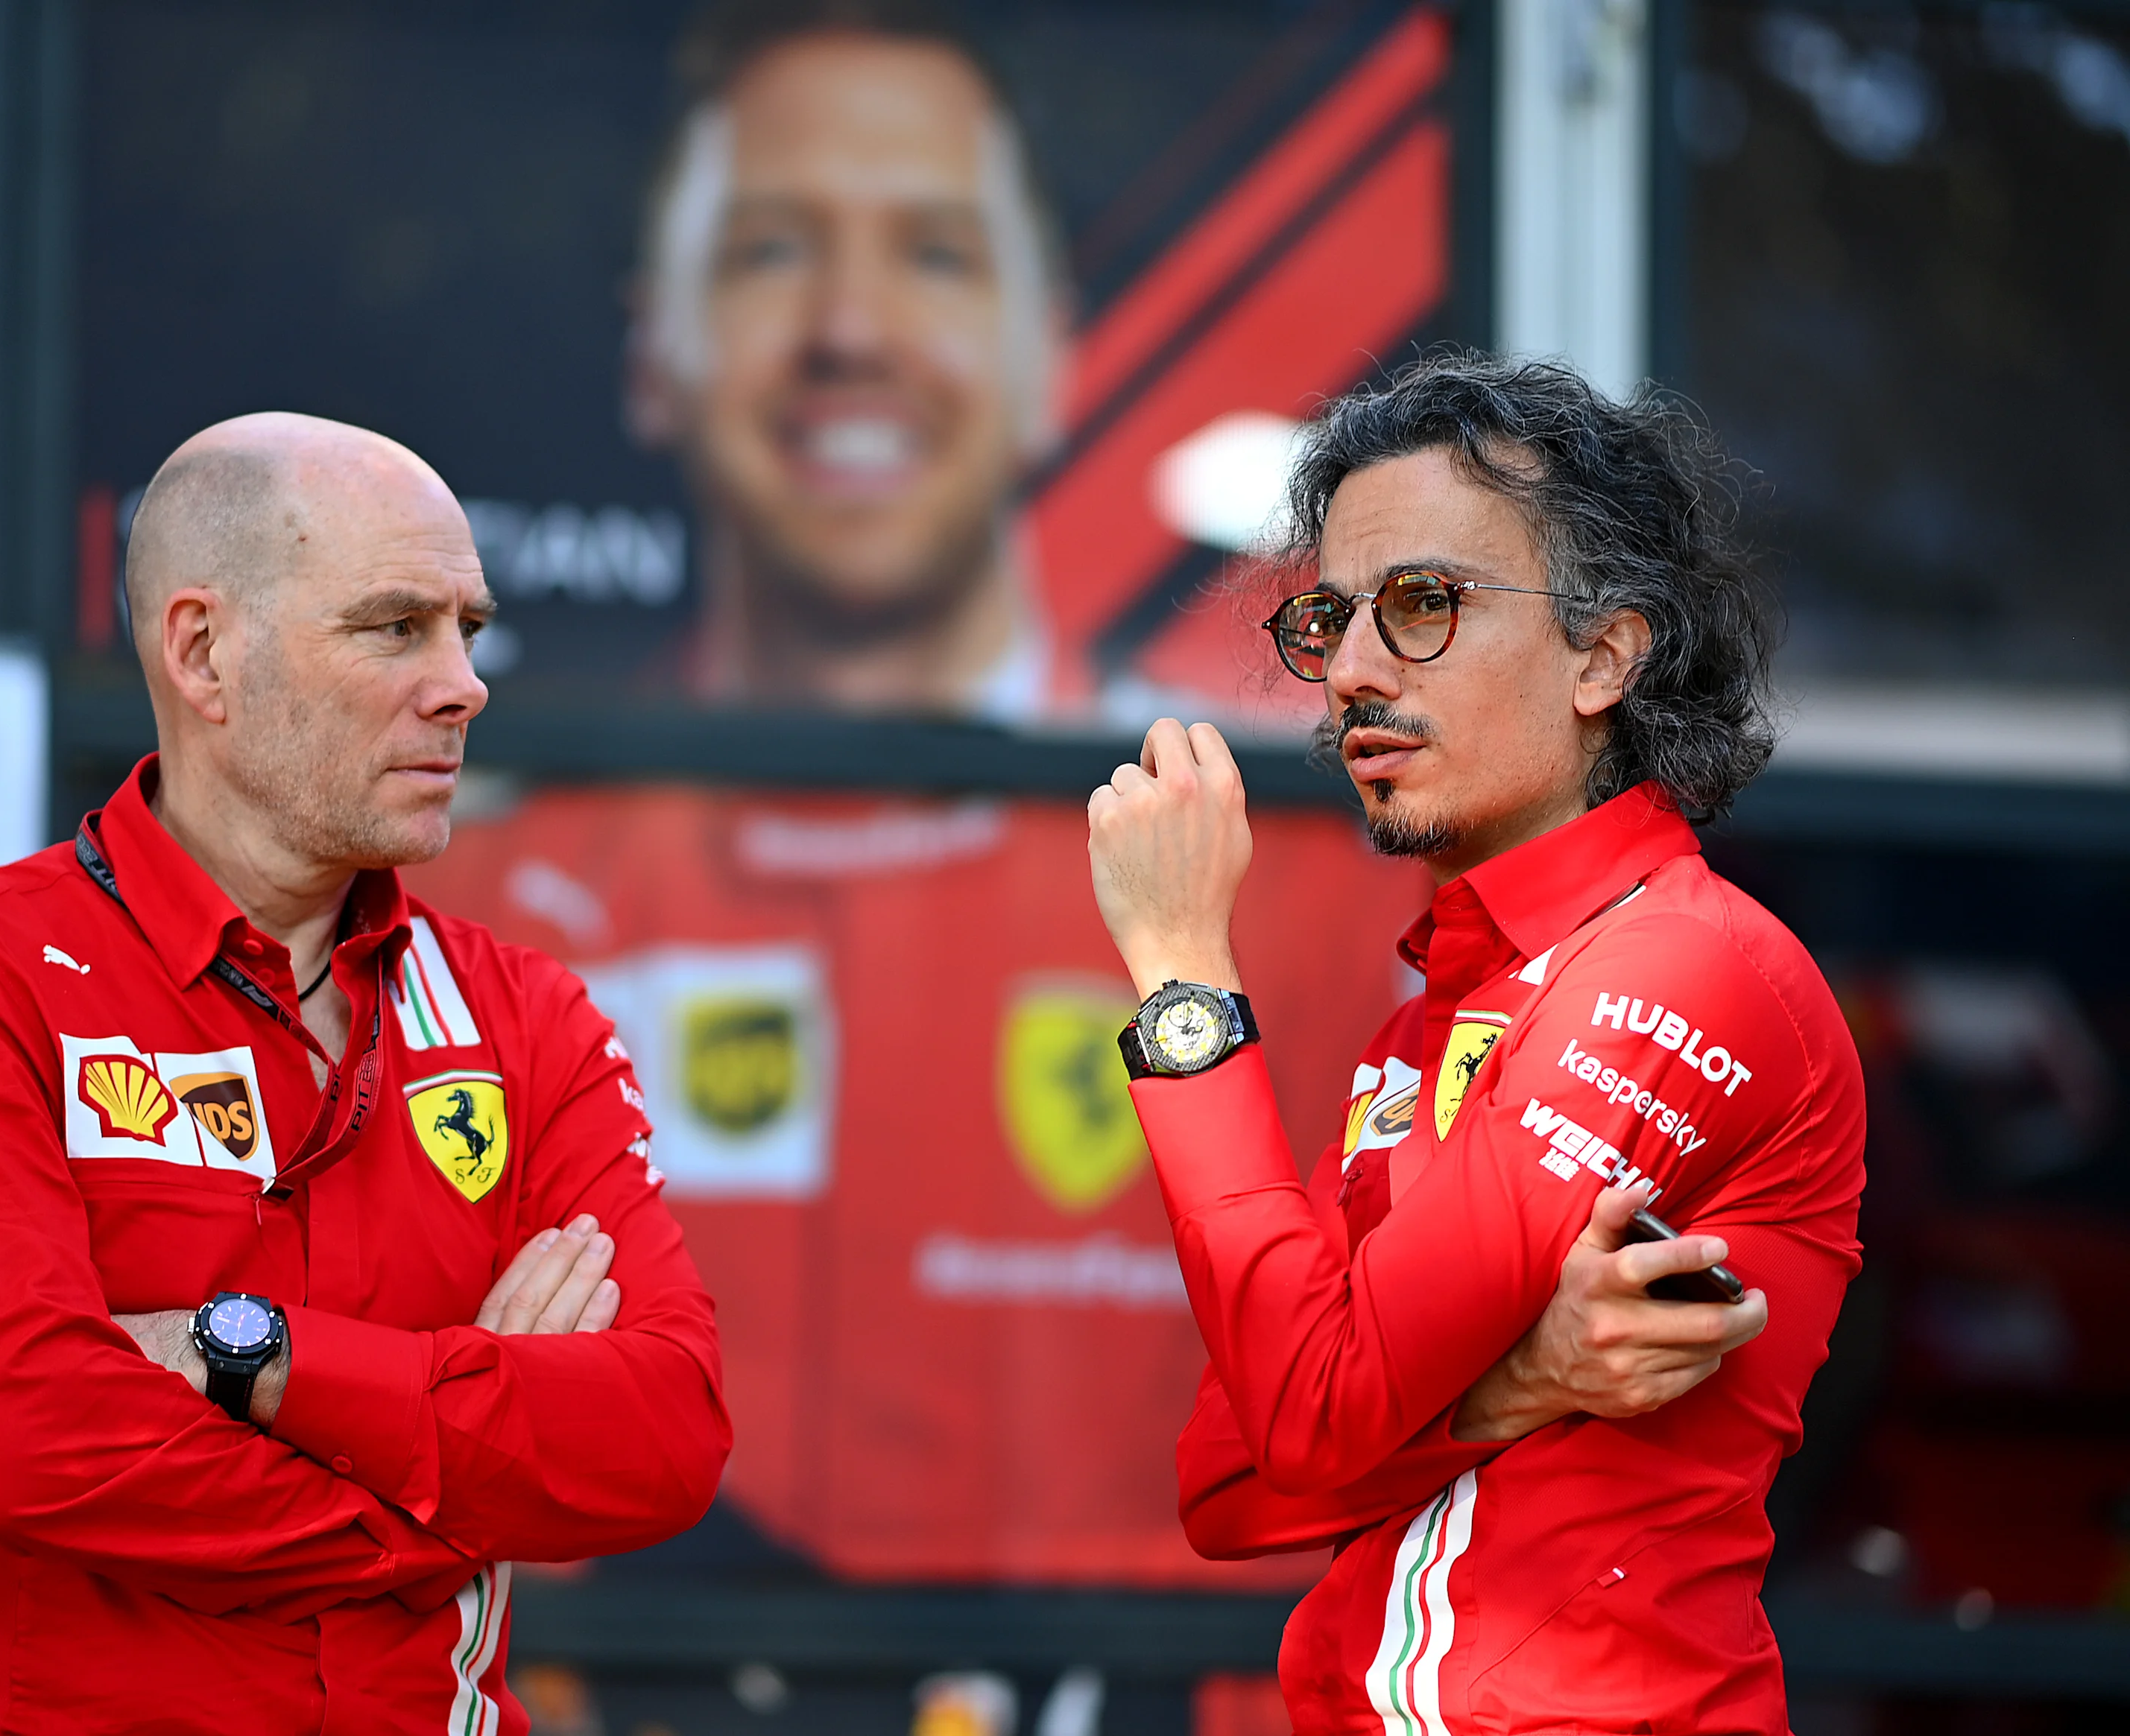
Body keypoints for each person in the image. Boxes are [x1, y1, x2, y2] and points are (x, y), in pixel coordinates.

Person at [0, 412, 730, 1735]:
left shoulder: (523, 1016)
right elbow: (16, 1433)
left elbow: (661, 1438)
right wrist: (444, 1488)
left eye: (468, 630)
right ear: (203, 651)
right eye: (393, 626)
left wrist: (244, 1354)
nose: (464, 683)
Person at [1085, 354, 1865, 1731]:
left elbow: (1312, 1421)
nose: (1354, 673)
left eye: (1424, 605)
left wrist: (1182, 970)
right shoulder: (1435, 1020)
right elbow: (1227, 1479)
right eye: (1329, 620)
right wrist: (1512, 1389)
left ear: (1603, 653)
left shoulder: (1684, 968)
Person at [625, 0, 1069, 717]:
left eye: (937, 256)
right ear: (648, 357)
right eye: (772, 251)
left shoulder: (1239, 820)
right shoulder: (470, 821)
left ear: (1053, 359)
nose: (851, 330)